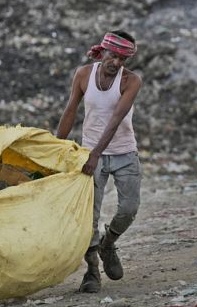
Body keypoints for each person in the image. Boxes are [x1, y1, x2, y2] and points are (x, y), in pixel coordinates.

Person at [56, 31, 143, 293]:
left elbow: (116, 119)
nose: (116, 63)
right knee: (89, 218)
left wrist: (95, 154)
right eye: (113, 56)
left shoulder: (131, 81)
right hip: (89, 154)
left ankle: (109, 243)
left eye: (122, 59)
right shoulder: (83, 74)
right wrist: (56, 149)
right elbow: (71, 110)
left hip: (124, 152)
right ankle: (92, 271)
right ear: (102, 51)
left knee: (129, 208)